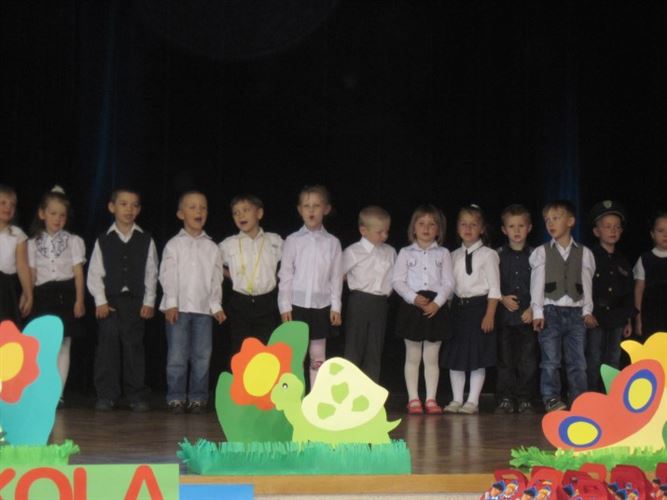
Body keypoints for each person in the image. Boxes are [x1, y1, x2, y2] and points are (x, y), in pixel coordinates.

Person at [87, 187, 158, 411]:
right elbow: (95, 273)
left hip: (135, 301)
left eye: (134, 205)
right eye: (124, 204)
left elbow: (151, 272)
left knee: (133, 347)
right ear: (112, 207)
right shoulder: (103, 240)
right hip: (110, 302)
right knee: (107, 347)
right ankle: (106, 394)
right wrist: (100, 301)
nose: (129, 209)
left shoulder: (146, 239)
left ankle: (136, 394)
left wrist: (149, 301)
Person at [159, 190, 226, 414]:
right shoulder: (174, 245)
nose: (199, 211)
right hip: (178, 309)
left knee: (202, 356)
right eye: (193, 207)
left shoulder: (212, 247)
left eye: (203, 207)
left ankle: (198, 397)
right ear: (181, 214)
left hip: (203, 310)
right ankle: (176, 396)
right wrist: (171, 302)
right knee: (177, 356)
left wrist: (216, 305)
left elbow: (216, 278)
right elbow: (168, 275)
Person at [530, 200, 595, 412]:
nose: (551, 223)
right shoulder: (542, 252)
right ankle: (551, 397)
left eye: (556, 218)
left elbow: (586, 283)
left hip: (576, 313)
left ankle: (579, 399)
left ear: (570, 221)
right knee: (550, 360)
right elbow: (537, 284)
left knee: (578, 361)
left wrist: (587, 310)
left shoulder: (584, 252)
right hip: (551, 311)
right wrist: (537, 311)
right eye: (547, 220)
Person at [278, 185, 343, 387]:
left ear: (326, 209)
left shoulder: (333, 243)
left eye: (316, 205)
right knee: (295, 355)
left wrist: (336, 307)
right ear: (300, 210)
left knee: (318, 356)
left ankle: (315, 395)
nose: (311, 210)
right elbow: (285, 275)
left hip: (321, 307)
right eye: (306, 206)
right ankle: (293, 397)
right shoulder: (292, 240)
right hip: (296, 306)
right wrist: (284, 306)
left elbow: (336, 278)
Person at [392, 204, 453, 414]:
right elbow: (397, 281)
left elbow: (448, 282)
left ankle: (431, 399)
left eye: (431, 224)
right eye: (421, 224)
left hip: (435, 307)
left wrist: (438, 302)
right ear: (414, 228)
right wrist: (412, 297)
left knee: (431, 358)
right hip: (413, 307)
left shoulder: (443, 253)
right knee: (412, 356)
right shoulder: (405, 252)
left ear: (438, 229)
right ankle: (413, 399)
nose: (426, 228)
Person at [28, 186, 86, 404]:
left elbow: (78, 273)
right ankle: (43, 390)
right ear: (42, 213)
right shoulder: (32, 243)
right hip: (43, 295)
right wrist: (28, 296)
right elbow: (32, 274)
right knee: (43, 346)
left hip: (65, 294)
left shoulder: (73, 241)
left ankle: (58, 394)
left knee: (63, 344)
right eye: (53, 213)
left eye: (62, 215)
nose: (57, 219)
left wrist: (79, 300)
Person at [443, 204, 500, 415]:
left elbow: (495, 287)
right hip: (458, 309)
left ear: (482, 228)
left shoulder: (489, 255)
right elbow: (449, 288)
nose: (468, 229)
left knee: (478, 356)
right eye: (463, 224)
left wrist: (489, 314)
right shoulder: (452, 255)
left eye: (473, 224)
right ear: (457, 227)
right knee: (456, 356)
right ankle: (457, 398)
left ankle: (473, 400)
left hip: (479, 308)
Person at [219, 194, 282, 353]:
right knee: (241, 350)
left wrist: (276, 276)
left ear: (259, 213)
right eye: (236, 213)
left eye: (246, 210)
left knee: (265, 350)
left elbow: (290, 263)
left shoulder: (274, 241)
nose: (241, 215)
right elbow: (212, 265)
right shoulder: (228, 244)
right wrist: (231, 275)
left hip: (267, 302)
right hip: (240, 303)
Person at [342, 205, 396, 382]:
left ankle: (370, 391)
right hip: (359, 301)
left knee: (375, 348)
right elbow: (338, 275)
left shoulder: (390, 251)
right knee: (354, 347)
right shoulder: (353, 251)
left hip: (380, 303)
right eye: (380, 232)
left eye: (387, 231)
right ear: (363, 230)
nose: (385, 236)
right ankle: (349, 389)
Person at [586, 200, 635, 392]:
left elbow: (628, 293)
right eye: (607, 226)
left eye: (617, 227)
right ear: (596, 231)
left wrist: (628, 320)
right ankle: (591, 395)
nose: (613, 231)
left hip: (617, 317)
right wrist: (586, 313)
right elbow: (584, 287)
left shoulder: (623, 261)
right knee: (593, 358)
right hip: (595, 317)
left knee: (613, 358)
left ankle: (611, 395)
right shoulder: (589, 257)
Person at [495, 204, 538, 414]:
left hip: (527, 317)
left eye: (521, 225)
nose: (517, 230)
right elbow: (490, 283)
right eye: (512, 226)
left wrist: (533, 308)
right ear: (504, 230)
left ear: (529, 228)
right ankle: (505, 398)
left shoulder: (536, 255)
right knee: (505, 359)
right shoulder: (497, 255)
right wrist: (501, 298)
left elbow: (541, 285)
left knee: (527, 360)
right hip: (505, 317)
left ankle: (525, 399)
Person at [0, 184, 32, 324]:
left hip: (6, 289)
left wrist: (28, 294)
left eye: (12, 205)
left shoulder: (17, 235)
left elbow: (22, 266)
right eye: (3, 203)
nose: (8, 207)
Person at [634, 211, 667, 340]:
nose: (665, 235)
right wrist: (638, 320)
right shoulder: (645, 259)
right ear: (652, 234)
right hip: (652, 317)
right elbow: (638, 291)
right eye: (660, 231)